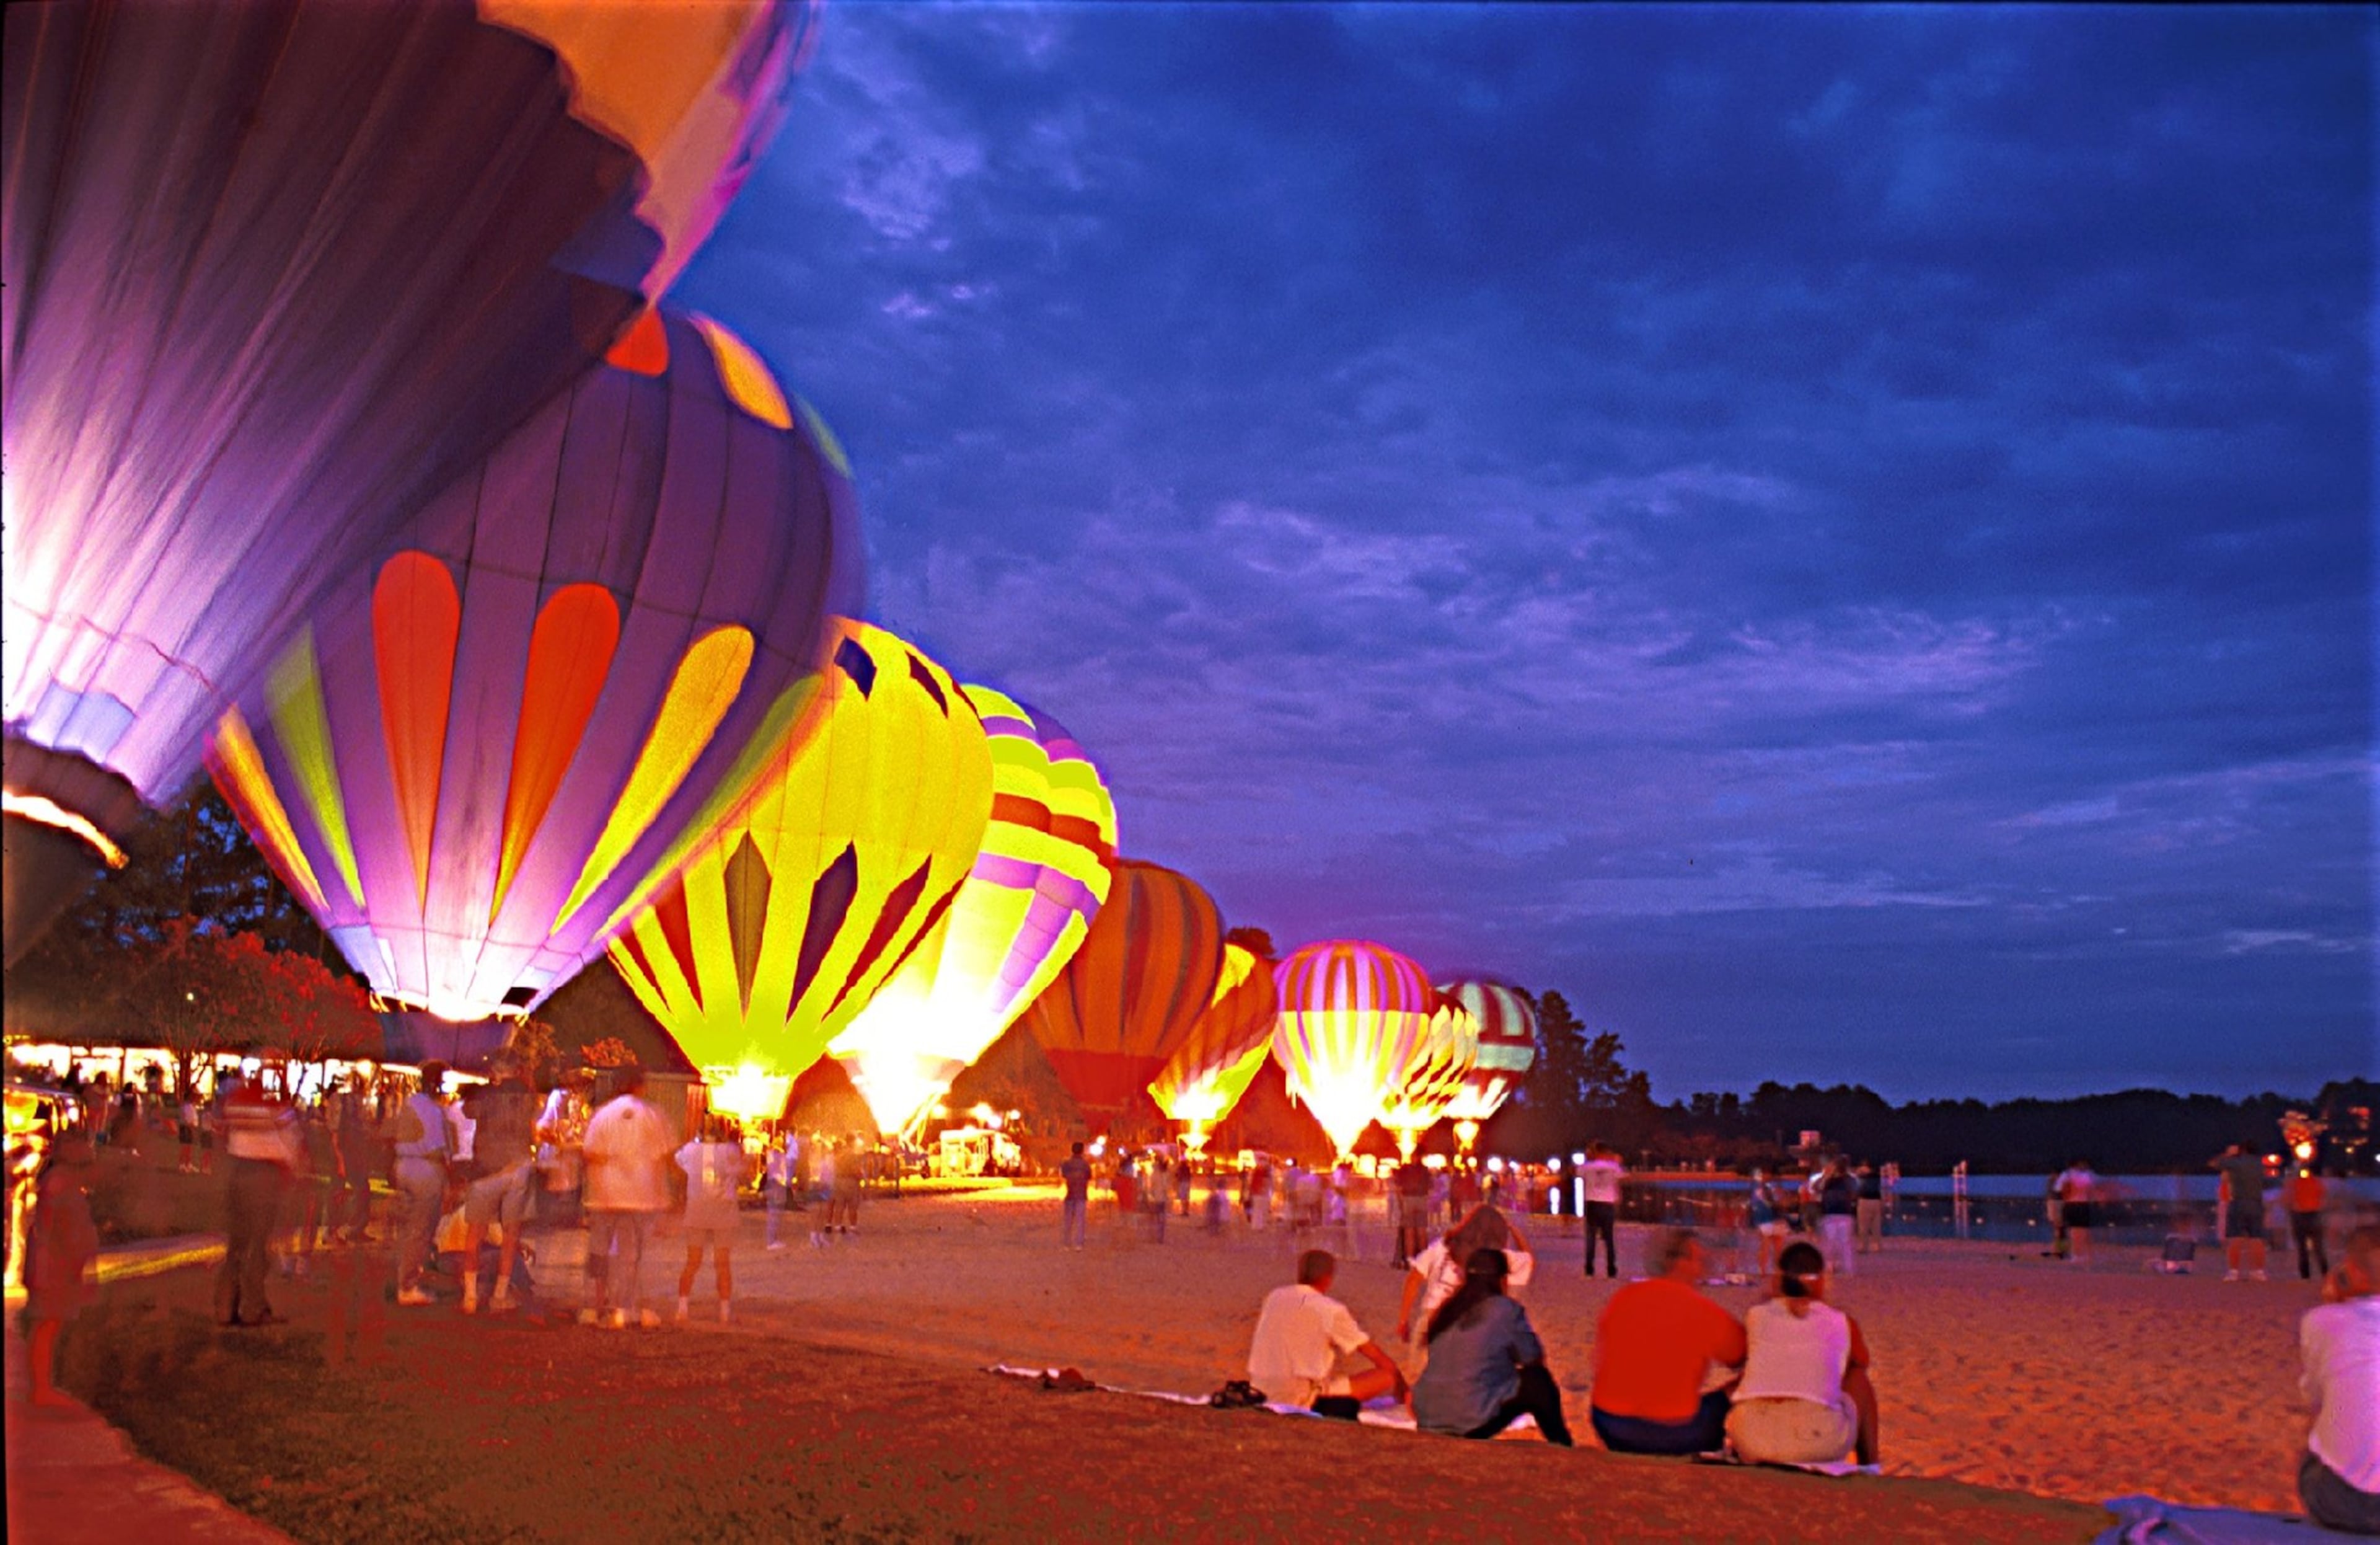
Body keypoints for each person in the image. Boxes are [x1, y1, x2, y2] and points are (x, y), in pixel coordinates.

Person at [1589, 1228, 1746, 1456]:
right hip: (1672, 1432)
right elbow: (1741, 1355)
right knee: (1739, 1387)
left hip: (1609, 1422)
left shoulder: (1624, 1298)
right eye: (1701, 1261)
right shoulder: (1701, 1311)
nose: (1704, 1269)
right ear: (1682, 1262)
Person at [1727, 1240, 1879, 1466]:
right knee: (1859, 1378)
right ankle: (1870, 1465)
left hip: (1750, 1436)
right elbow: (1862, 1361)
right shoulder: (1840, 1321)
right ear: (1821, 1279)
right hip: (1816, 1439)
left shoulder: (1756, 1315)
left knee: (1752, 1373)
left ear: (1780, 1279)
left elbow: (1741, 1360)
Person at [1411, 1247, 1573, 1445]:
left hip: (1428, 1413)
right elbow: (1532, 1357)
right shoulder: (1504, 1309)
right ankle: (1562, 1444)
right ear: (1501, 1279)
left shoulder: (1448, 1311)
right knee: (1538, 1382)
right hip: (1466, 1418)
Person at [1246, 1249, 1407, 1416]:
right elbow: (1376, 1356)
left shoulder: (1274, 1297)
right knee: (1387, 1376)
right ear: (1328, 1278)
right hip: (1302, 1396)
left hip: (1260, 1389)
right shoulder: (1330, 1309)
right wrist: (1404, 1389)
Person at [2297, 1224, 2380, 1534]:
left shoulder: (2323, 1322)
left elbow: (2314, 1397)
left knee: (2320, 1420)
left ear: (2353, 1272)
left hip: (2345, 1502)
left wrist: (2336, 1305)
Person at [579, 1068, 675, 1329]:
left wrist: (608, 1169)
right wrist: (666, 1198)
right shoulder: (653, 1115)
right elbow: (664, 1157)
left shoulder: (603, 1115)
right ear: (640, 1086)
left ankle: (592, 1307)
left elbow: (589, 1153)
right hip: (642, 1196)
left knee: (599, 1253)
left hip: (605, 1196)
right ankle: (627, 1309)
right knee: (633, 1256)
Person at [215, 1069, 301, 1327]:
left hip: (238, 1172)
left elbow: (220, 1129)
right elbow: (292, 1144)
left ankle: (226, 1306)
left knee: (237, 1246)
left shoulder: (234, 1102)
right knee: (258, 1247)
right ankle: (255, 1309)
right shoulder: (275, 1108)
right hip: (264, 1176)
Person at [22, 1131, 100, 1407]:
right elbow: (53, 1227)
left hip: (58, 1265)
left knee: (51, 1324)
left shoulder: (64, 1181)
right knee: (47, 1324)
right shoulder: (59, 1183)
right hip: (53, 1267)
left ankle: (44, 1385)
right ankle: (41, 1388)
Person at [458, 1056, 539, 1314]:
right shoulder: (525, 1097)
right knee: (511, 1234)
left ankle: (470, 1296)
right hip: (517, 1167)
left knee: (475, 1233)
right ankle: (499, 1295)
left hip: (484, 1170)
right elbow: (533, 1116)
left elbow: (467, 1111)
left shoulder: (483, 1097)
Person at [1397, 1203, 1535, 1346]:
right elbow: (1529, 1259)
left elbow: (1413, 1279)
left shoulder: (1443, 1245)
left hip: (1431, 1323)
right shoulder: (1500, 1257)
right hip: (1473, 1329)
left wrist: (1403, 1320)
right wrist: (1513, 1229)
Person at [676, 1116, 752, 1323]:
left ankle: (682, 1308)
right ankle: (724, 1312)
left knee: (692, 1261)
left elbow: (678, 1162)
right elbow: (745, 1174)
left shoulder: (690, 1150)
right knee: (723, 1263)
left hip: (697, 1209)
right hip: (724, 1211)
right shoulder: (730, 1151)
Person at [390, 1063, 453, 1306]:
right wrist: (451, 1176)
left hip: (404, 1165)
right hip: (424, 1170)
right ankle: (408, 1286)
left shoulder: (409, 1102)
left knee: (409, 1230)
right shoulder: (430, 1109)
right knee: (421, 1230)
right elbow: (436, 1148)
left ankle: (405, 1278)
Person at [2213, 1144, 2270, 1282]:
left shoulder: (2236, 1163)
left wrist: (2230, 1155)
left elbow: (2216, 1163)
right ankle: (2259, 1271)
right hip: (2256, 1203)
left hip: (2239, 1202)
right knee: (2257, 1239)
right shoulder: (2260, 1165)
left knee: (2236, 1238)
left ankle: (2234, 1272)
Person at [1580, 1143, 1624, 1278]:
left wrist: (1589, 1158)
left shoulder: (1587, 1167)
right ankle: (1611, 1269)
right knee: (1609, 1239)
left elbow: (1577, 1173)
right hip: (1608, 1203)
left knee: (1591, 1237)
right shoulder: (1613, 1167)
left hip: (1592, 1203)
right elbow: (1622, 1178)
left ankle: (1589, 1269)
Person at [1816, 1159, 1859, 1278]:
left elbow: (1816, 1188)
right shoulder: (1850, 1180)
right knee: (1845, 1244)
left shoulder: (1831, 1181)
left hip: (1831, 1214)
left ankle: (1830, 1267)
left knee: (1830, 1243)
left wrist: (1825, 1176)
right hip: (1844, 1214)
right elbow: (1854, 1194)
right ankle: (1848, 1269)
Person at [2290, 1166, 2330, 1283]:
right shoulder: (2317, 1183)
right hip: (2314, 1214)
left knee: (2303, 1249)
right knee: (2318, 1247)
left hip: (2300, 1215)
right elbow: (2324, 1198)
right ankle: (2325, 1273)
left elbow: (2289, 1200)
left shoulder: (2295, 1184)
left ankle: (2305, 1276)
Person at [2052, 1159, 2097, 1265]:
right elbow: (2060, 1189)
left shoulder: (2078, 1174)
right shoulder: (2073, 1175)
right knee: (2072, 1231)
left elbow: (2058, 1189)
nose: (2085, 1166)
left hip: (2076, 1204)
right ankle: (2068, 1253)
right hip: (2075, 1204)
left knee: (2074, 1231)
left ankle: (2070, 1253)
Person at [1748, 1170, 1789, 1277]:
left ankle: (1774, 1270)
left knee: (1777, 1248)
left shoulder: (1772, 1188)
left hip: (1775, 1220)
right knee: (1766, 1247)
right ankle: (1763, 1270)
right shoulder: (1759, 1189)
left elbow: (1782, 1203)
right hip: (1766, 1220)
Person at [763, 1132, 797, 1251]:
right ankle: (771, 1242)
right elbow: (781, 1171)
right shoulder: (779, 1155)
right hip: (777, 1186)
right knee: (775, 1214)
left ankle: (772, 1240)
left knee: (773, 1213)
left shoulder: (771, 1154)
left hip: (773, 1185)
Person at [1059, 1141, 1091, 1249]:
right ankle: (1079, 1244)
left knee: (1068, 1221)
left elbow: (1063, 1175)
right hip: (1081, 1194)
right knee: (1080, 1220)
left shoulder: (1066, 1163)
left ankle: (1066, 1243)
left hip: (1070, 1194)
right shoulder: (1086, 1165)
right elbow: (1089, 1176)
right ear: (1082, 1151)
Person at [1854, 1162, 1885, 1255]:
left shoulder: (1861, 1177)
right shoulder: (1877, 1177)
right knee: (1876, 1225)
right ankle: (1878, 1245)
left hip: (1865, 1200)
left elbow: (1857, 1186)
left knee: (1863, 1225)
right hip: (1876, 1201)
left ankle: (1863, 1246)